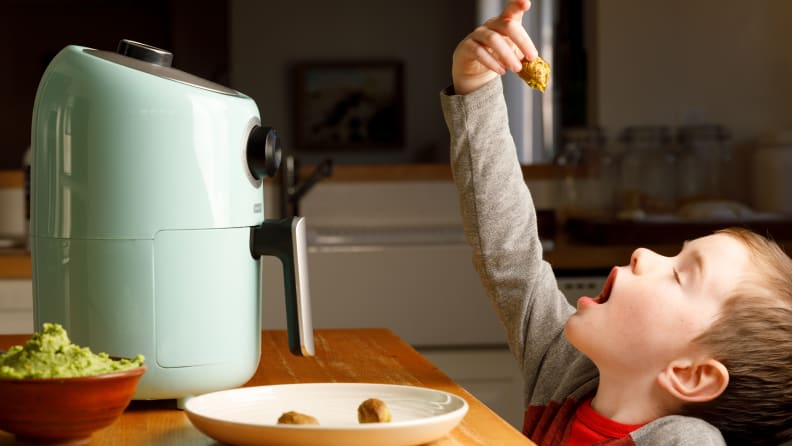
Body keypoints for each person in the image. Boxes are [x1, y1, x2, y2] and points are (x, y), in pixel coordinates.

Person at [439, 1, 792, 444]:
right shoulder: (563, 367)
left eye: (680, 276)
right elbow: (509, 255)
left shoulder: (684, 438)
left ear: (690, 374)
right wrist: (476, 90)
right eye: (674, 255)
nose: (644, 254)